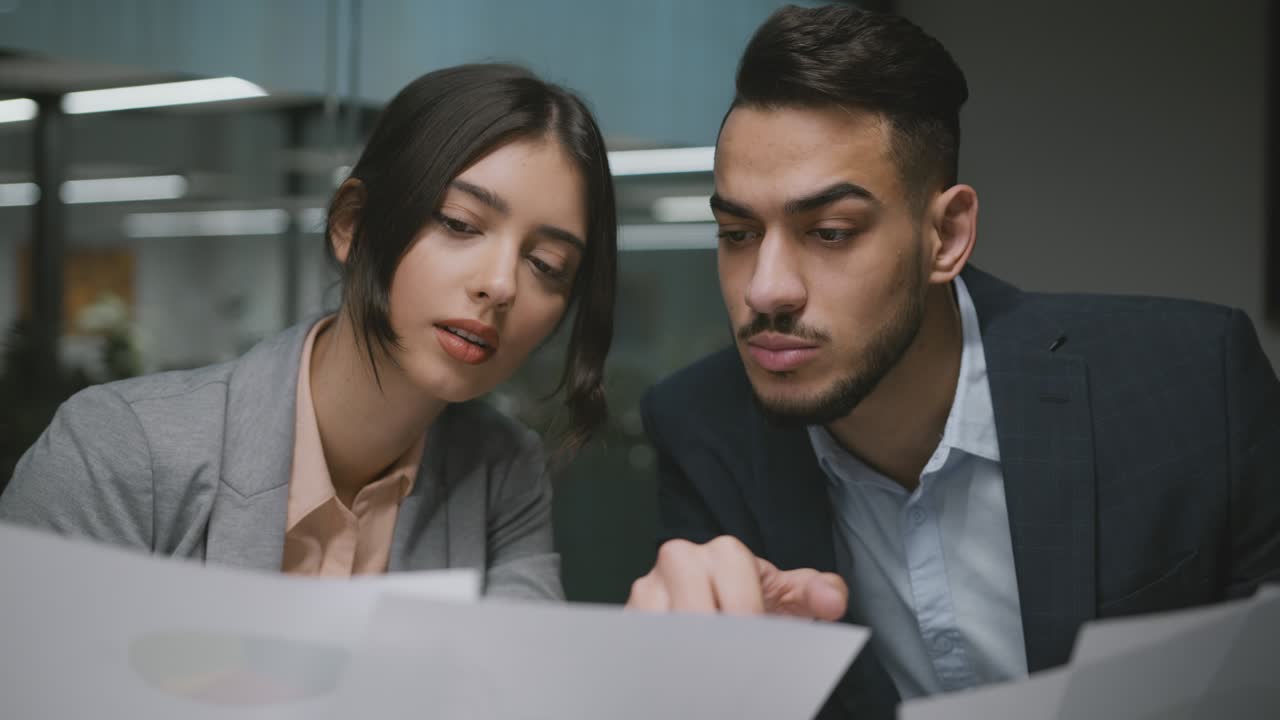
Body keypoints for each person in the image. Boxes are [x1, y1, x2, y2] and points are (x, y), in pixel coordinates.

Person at [625, 5, 1280, 718]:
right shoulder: (701, 426)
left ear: (946, 235)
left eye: (832, 232)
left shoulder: (1190, 383)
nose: (766, 288)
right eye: (737, 232)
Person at [0, 63, 618, 601]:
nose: (501, 284)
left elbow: (514, 687)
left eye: (547, 266)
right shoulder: (120, 449)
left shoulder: (501, 469)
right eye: (460, 223)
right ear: (352, 225)